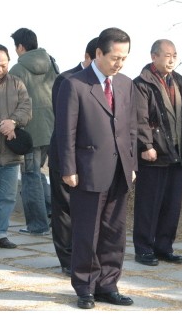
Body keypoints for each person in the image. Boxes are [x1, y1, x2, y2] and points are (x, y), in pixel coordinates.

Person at [56, 27, 137, 309]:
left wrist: (132, 163)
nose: (119, 63)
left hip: (120, 170)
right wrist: (68, 168)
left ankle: (108, 285)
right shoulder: (75, 84)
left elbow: (131, 128)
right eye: (115, 57)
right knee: (87, 232)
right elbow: (66, 131)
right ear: (99, 53)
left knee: (114, 233)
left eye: (124, 58)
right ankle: (85, 287)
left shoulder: (126, 84)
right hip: (87, 170)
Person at [132, 39, 182, 266]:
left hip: (178, 154)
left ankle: (164, 247)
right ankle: (143, 249)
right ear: (154, 56)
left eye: (174, 55)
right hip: (153, 155)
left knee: (172, 205)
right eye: (167, 55)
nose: (171, 60)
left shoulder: (180, 82)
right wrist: (146, 146)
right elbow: (139, 119)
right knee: (148, 204)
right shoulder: (141, 84)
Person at [49, 37, 97, 276]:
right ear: (89, 56)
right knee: (64, 208)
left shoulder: (105, 82)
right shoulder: (66, 79)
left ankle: (85, 255)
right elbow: (64, 121)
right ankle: (67, 258)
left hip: (92, 157)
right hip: (65, 152)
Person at [8, 27, 57, 235]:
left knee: (30, 176)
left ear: (20, 46)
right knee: (39, 174)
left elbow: (11, 102)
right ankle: (51, 213)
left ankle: (37, 225)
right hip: (51, 127)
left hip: (29, 131)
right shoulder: (51, 63)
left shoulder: (18, 70)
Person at [0, 44, 32, 251]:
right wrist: (1, 125)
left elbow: (27, 108)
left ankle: (1, 233)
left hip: (11, 153)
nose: (1, 69)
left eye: (4, 64)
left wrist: (13, 122)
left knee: (7, 197)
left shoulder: (17, 83)